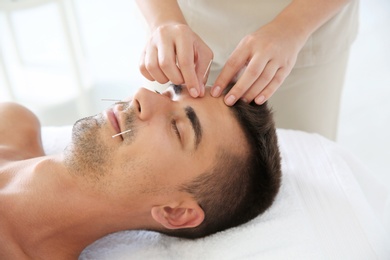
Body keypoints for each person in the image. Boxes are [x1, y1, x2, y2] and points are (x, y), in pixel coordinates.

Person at [0, 84, 281, 259]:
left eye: (177, 128)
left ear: (175, 212)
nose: (142, 95)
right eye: (166, 92)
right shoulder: (13, 121)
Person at [135, 0, 359, 140]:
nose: (138, 101)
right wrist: (163, 20)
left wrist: (292, 26)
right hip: (181, 25)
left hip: (307, 26)